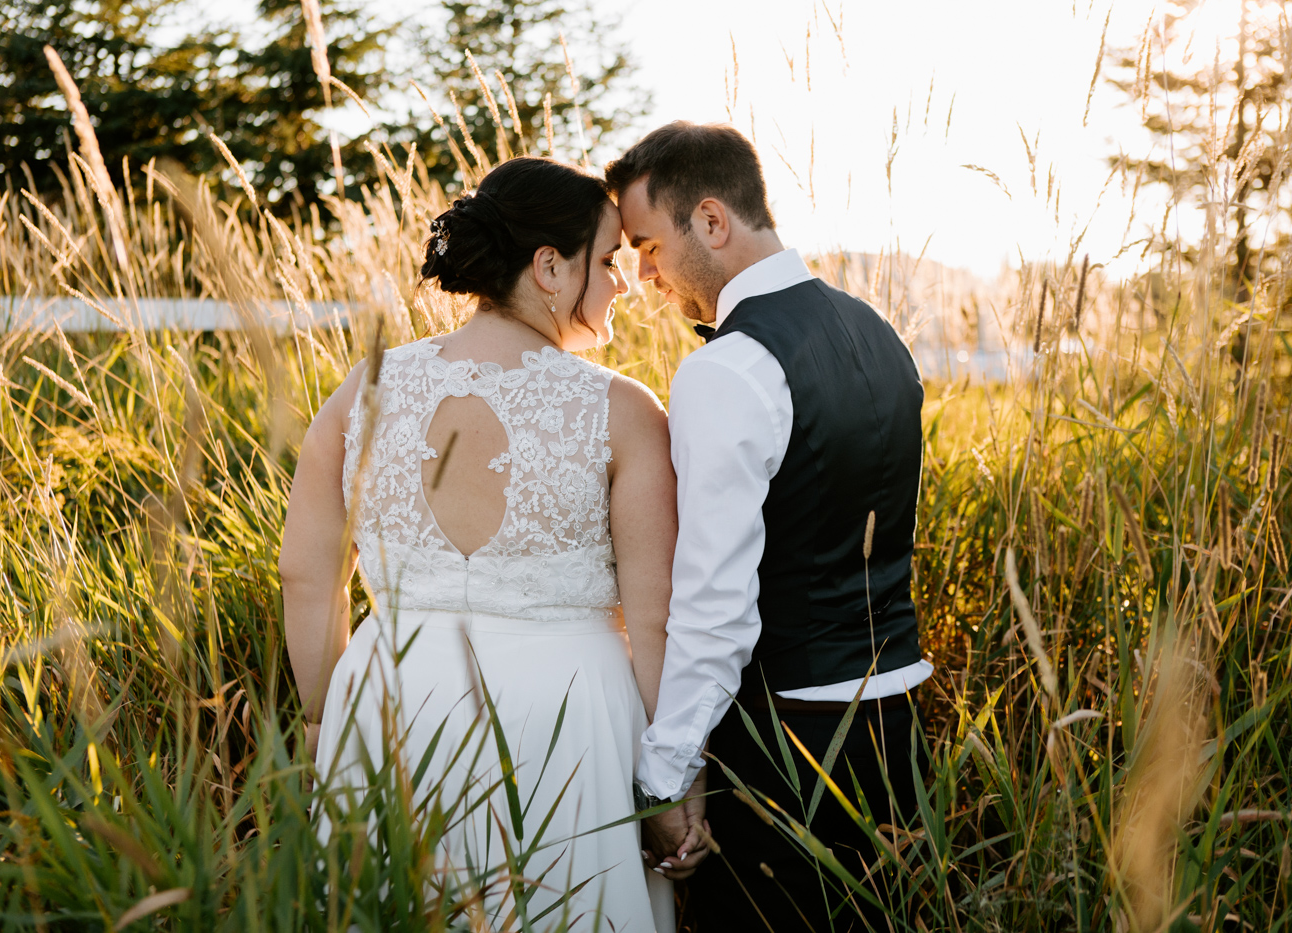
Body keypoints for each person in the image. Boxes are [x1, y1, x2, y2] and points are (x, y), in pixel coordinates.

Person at [278, 156, 702, 932]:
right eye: (606, 260)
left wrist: (320, 721)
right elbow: (655, 621)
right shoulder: (623, 410)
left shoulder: (363, 389)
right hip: (568, 723)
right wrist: (671, 789)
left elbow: (307, 576)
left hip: (389, 707)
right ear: (549, 267)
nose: (623, 282)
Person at [606, 122, 933, 932]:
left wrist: (665, 775)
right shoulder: (880, 334)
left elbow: (715, 606)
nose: (645, 276)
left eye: (648, 246)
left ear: (712, 221)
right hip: (901, 729)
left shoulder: (727, 369)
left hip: (794, 746)